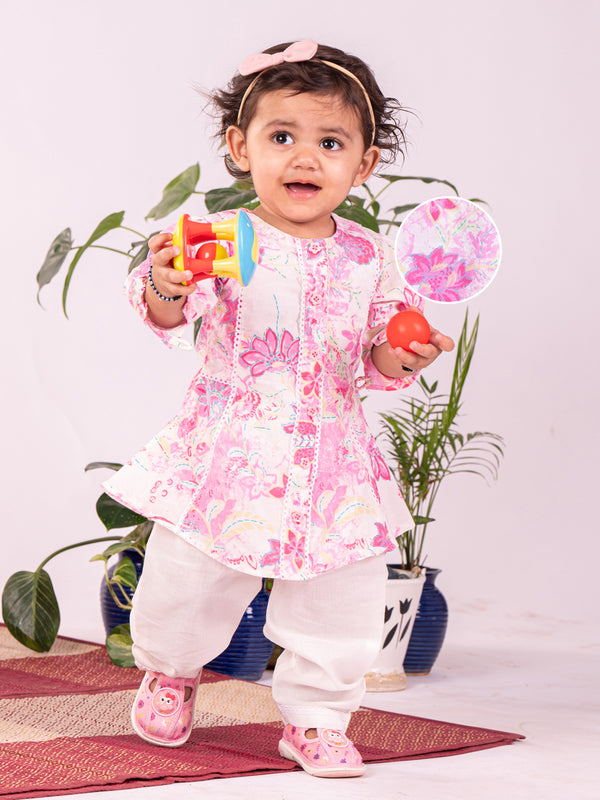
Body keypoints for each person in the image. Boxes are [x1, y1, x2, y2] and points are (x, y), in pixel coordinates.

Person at [104, 39, 454, 778]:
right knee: (188, 577)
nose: (305, 158)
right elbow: (168, 312)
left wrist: (404, 354)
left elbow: (377, 356)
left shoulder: (371, 256)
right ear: (240, 148)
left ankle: (318, 717)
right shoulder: (224, 237)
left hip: (333, 458)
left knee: (341, 595)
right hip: (228, 450)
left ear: (362, 166)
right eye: (282, 137)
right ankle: (170, 671)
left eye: (330, 143)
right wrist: (167, 280)